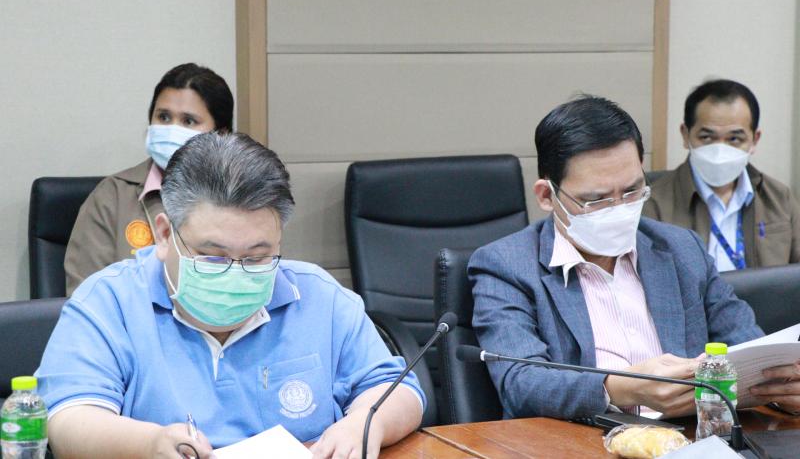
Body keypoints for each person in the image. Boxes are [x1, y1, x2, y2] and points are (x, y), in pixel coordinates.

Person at [37, 133, 423, 458]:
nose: (235, 272)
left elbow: (399, 389)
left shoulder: (316, 295)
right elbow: (68, 419)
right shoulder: (109, 302)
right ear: (165, 235)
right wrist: (150, 444)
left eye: (257, 257)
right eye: (213, 257)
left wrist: (365, 423)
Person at [469, 95, 800, 420]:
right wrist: (621, 389)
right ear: (546, 195)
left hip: (690, 437)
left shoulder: (681, 249)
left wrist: (783, 388)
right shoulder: (506, 265)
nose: (618, 209)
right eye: (596, 200)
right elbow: (521, 383)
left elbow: (749, 344)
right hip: (578, 438)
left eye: (632, 192)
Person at [64, 63, 234, 294]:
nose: (171, 129)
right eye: (163, 117)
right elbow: (87, 296)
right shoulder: (112, 197)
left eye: (188, 121)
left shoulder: (243, 198)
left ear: (221, 134)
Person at [643, 79, 800, 271]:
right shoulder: (654, 204)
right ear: (685, 135)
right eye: (706, 137)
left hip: (764, 293)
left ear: (754, 140)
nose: (720, 151)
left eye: (734, 138)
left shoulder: (779, 199)